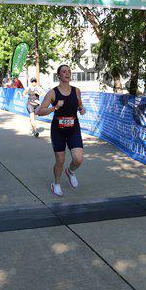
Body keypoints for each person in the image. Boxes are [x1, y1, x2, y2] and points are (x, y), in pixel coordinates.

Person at [37, 65, 85, 197]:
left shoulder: (76, 91)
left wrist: (81, 109)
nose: (67, 73)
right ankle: (56, 184)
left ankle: (70, 172)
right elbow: (40, 111)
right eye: (64, 72)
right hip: (58, 130)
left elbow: (80, 104)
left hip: (73, 129)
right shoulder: (52, 93)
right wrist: (55, 107)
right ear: (58, 75)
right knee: (60, 160)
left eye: (69, 71)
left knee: (78, 159)